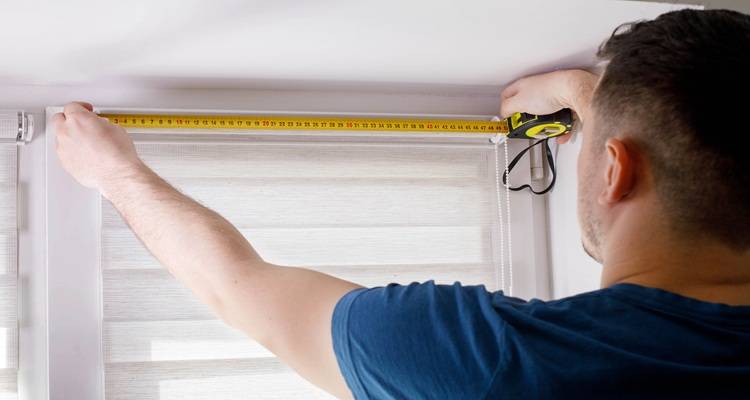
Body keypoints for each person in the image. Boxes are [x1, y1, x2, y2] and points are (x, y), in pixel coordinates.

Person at [52, 8, 749, 400]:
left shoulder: (486, 365)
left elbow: (242, 289)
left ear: (612, 171)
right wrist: (594, 105)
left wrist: (115, 174)